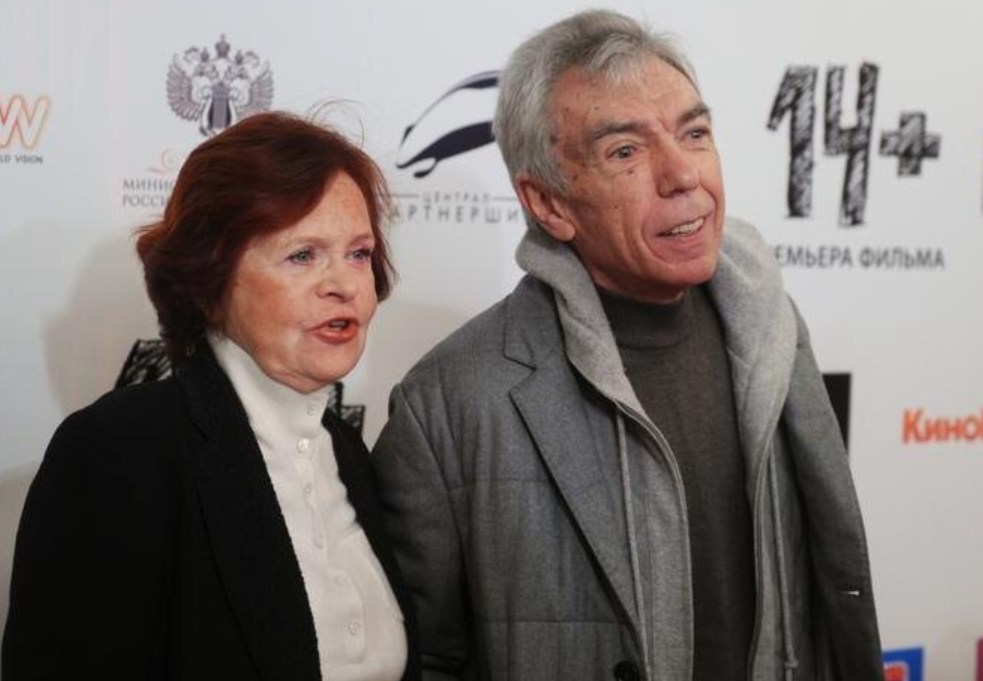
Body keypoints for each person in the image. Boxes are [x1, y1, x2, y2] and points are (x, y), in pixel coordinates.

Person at [371, 10, 881, 681]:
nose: (682, 175)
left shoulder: (774, 328)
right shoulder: (447, 402)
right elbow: (425, 660)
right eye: (624, 152)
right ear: (548, 203)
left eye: (693, 133)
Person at [3, 112, 419, 681]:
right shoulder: (119, 450)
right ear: (210, 280)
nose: (344, 285)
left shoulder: (347, 450)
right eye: (303, 255)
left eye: (359, 254)